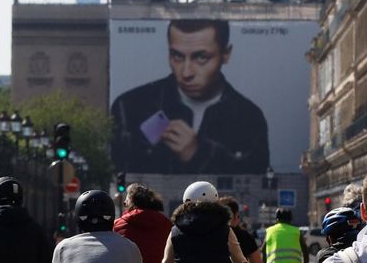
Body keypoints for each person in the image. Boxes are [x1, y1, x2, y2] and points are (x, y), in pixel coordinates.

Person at [110, 19, 269, 175]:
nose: (186, 73)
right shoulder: (130, 106)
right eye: (177, 56)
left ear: (226, 54)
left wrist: (198, 154)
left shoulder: (248, 117)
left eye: (201, 58)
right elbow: (114, 171)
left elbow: (257, 181)